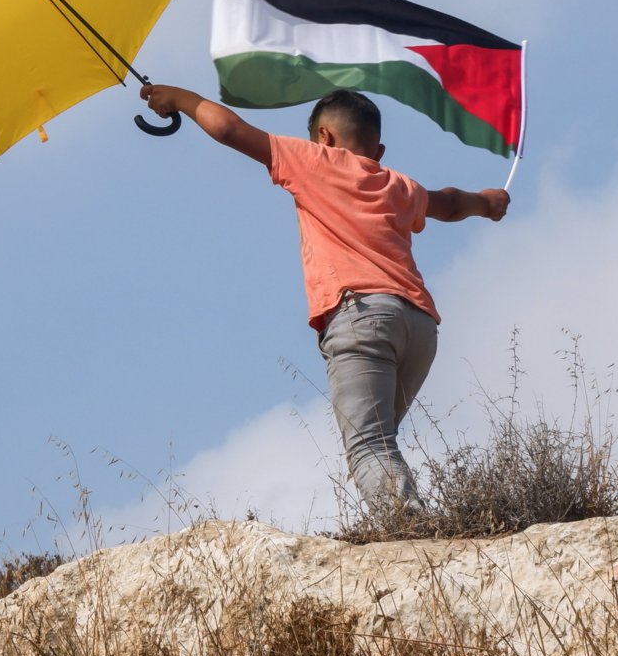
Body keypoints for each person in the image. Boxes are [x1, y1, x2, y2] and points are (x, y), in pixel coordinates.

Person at [138, 81, 510, 514]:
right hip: (420, 326)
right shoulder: (398, 185)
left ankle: (412, 532)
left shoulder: (316, 162)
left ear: (324, 138)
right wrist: (486, 202)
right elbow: (447, 203)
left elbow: (230, 131)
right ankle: (408, 522)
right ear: (379, 151)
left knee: (369, 444)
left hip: (361, 316)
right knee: (380, 440)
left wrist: (179, 98)